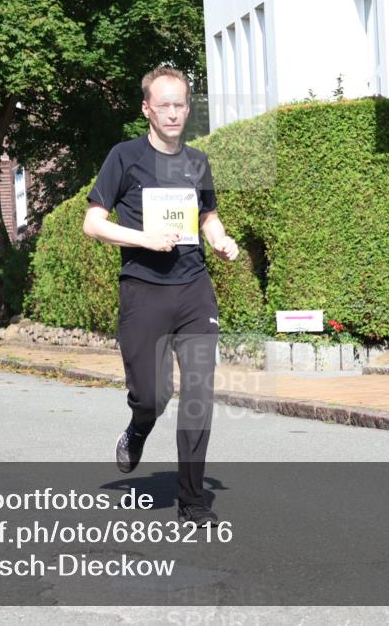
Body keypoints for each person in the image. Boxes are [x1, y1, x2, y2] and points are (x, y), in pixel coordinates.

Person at [82, 66, 239, 527]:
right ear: (147, 109)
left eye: (180, 104)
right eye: (163, 105)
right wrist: (144, 239)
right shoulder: (124, 157)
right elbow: (93, 223)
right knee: (153, 394)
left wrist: (220, 240)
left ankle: (193, 502)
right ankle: (138, 427)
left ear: (188, 109)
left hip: (194, 290)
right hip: (143, 290)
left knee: (199, 394)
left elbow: (208, 216)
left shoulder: (198, 162)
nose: (173, 113)